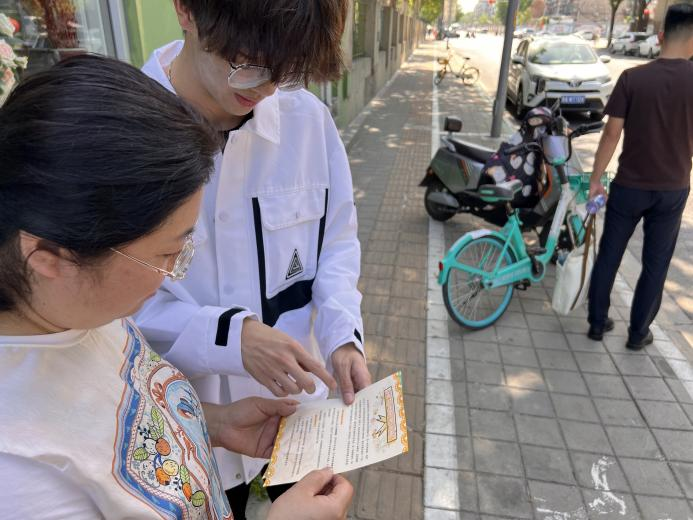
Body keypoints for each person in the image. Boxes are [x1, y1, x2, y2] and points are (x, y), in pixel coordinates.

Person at [0, 54, 353, 520]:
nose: (175, 274)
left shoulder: (83, 314)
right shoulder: (20, 474)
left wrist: (213, 423)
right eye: (166, 253)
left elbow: (127, 422)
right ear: (51, 257)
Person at [134, 1, 371, 515]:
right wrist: (229, 337)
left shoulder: (307, 121)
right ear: (186, 11)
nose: (265, 89)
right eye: (247, 63)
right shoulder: (127, 134)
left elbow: (336, 243)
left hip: (297, 410)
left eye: (286, 70)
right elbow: (110, 299)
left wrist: (342, 336)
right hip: (186, 424)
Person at [587, 3, 693, 350]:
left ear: (661, 36)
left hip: (628, 187)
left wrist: (596, 180)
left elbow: (610, 134)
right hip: (672, 189)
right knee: (656, 264)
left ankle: (597, 323)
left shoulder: (632, 78)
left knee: (610, 254)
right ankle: (638, 333)